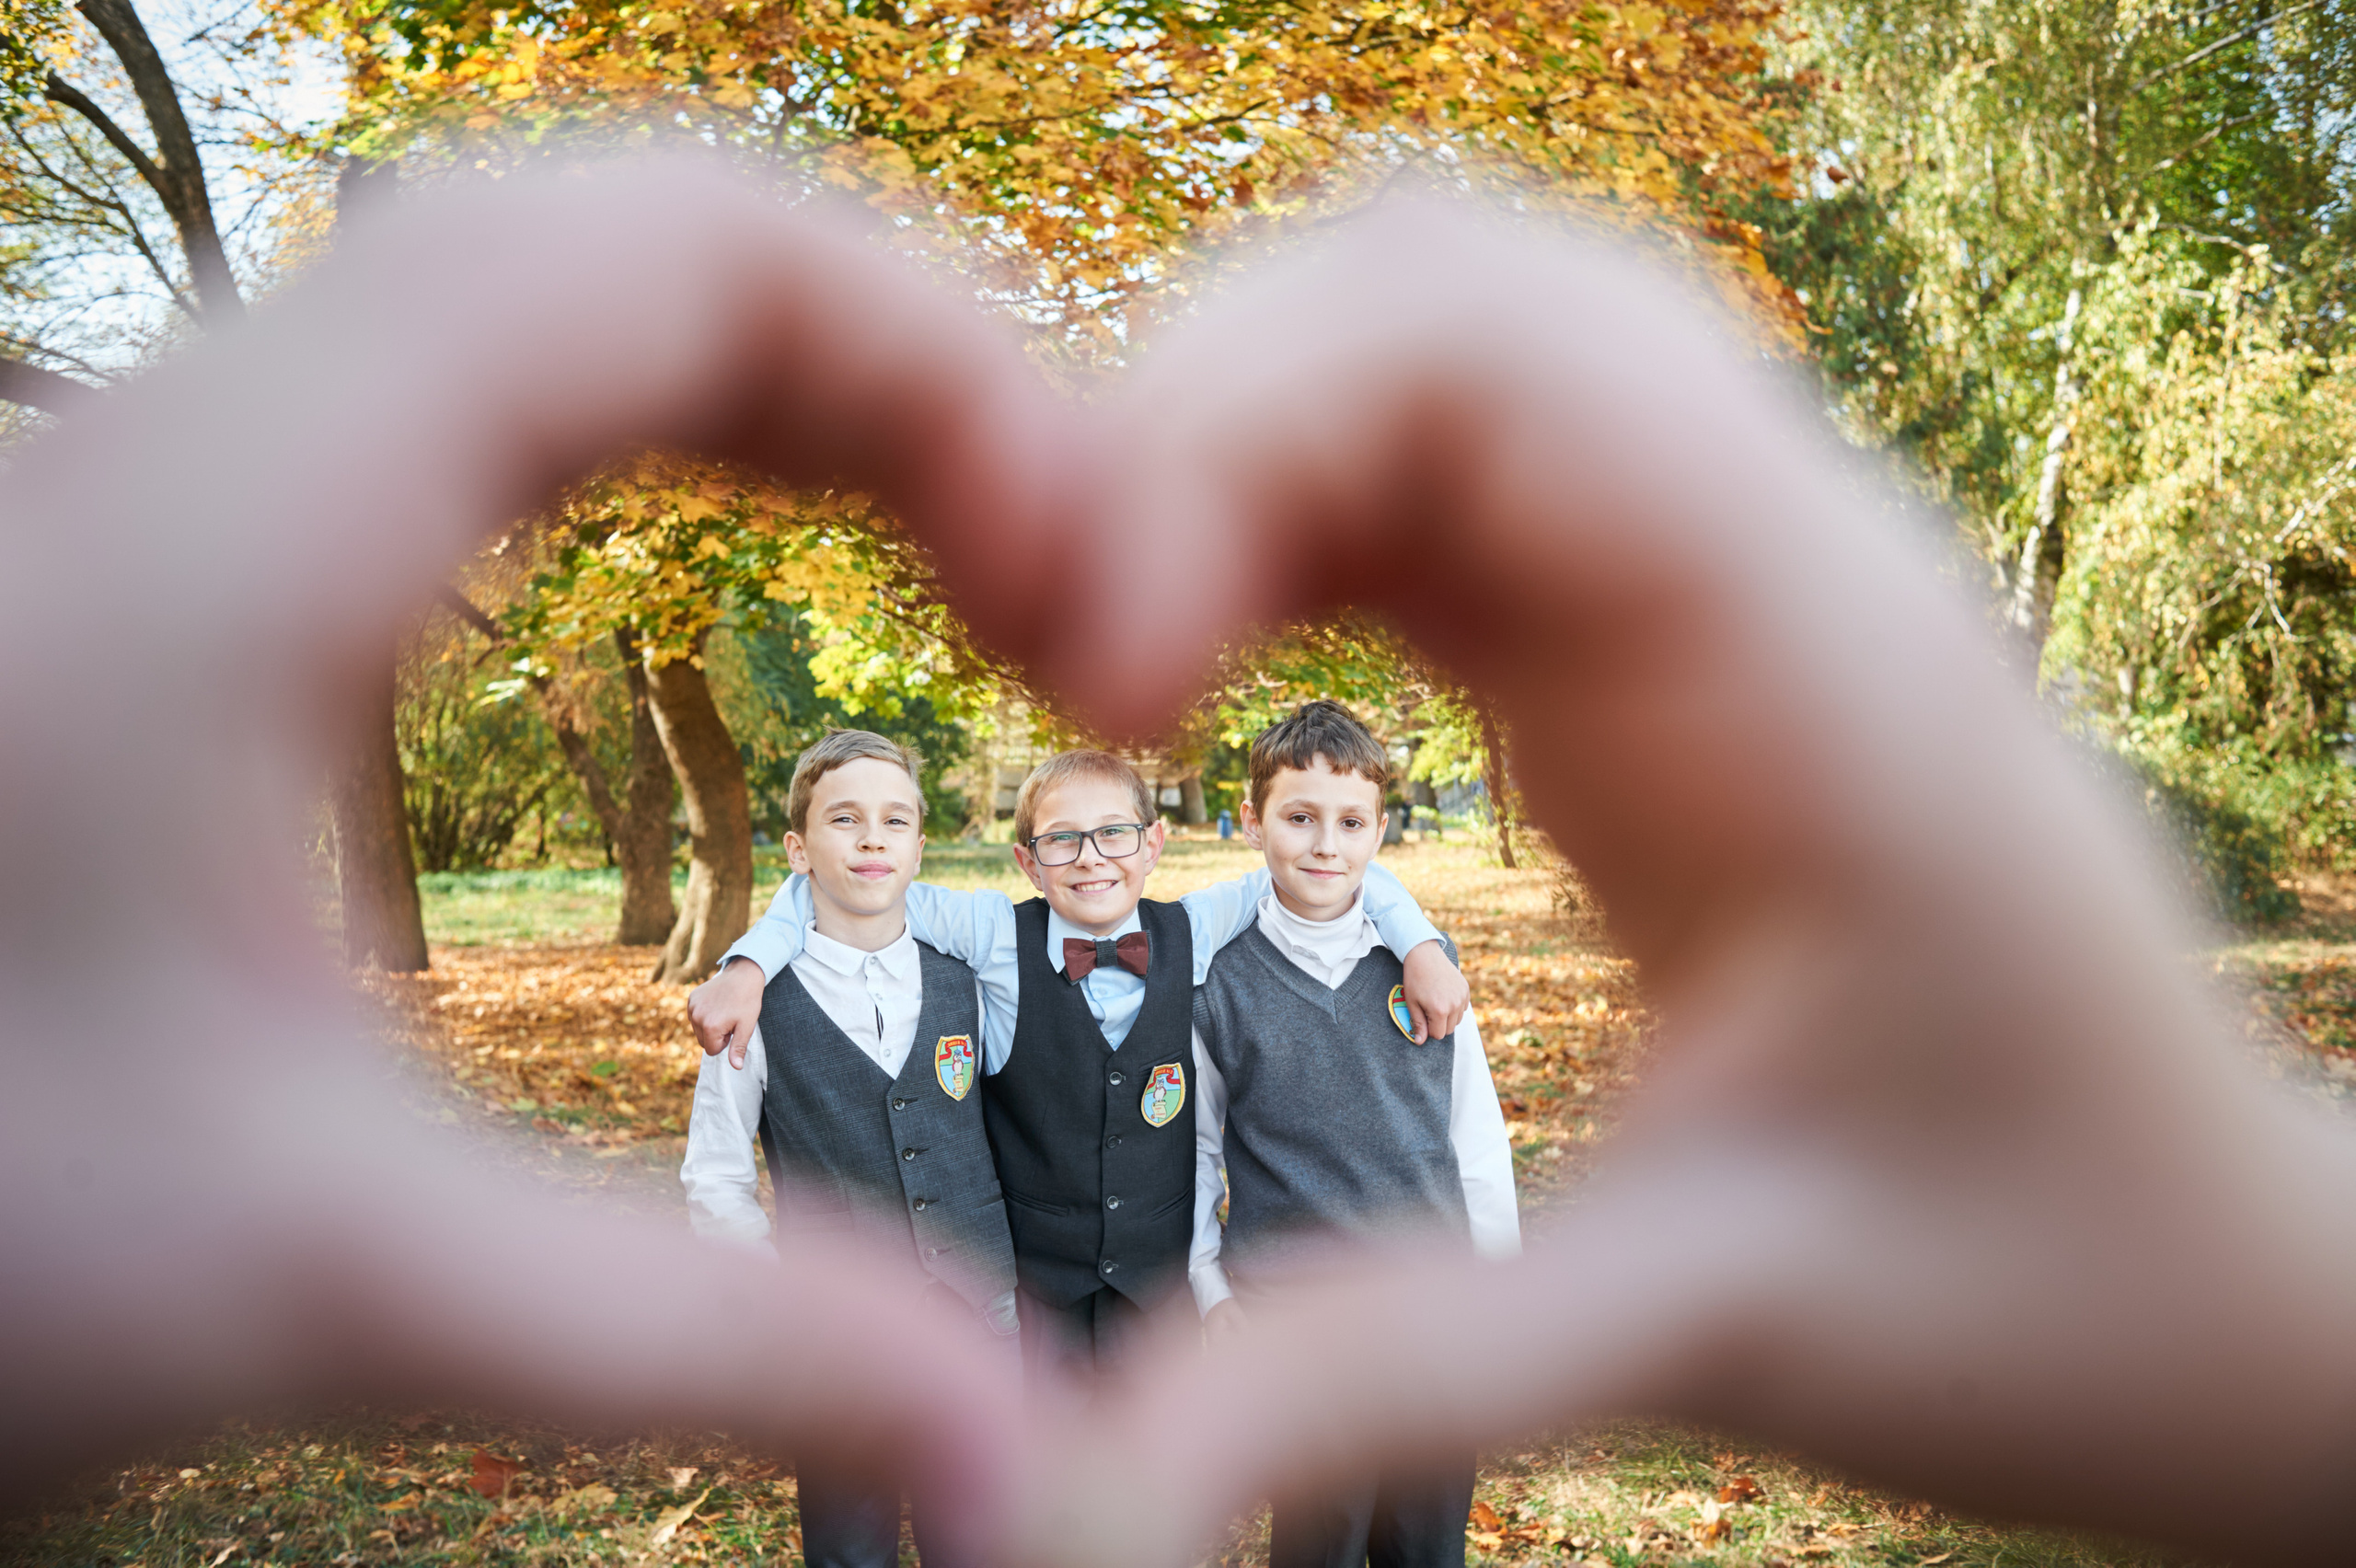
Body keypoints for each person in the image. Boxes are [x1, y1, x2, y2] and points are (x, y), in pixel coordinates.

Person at [7, 158, 2356, 1567]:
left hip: (1256, 1278)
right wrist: (730, 957)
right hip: (1012, 1283)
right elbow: (885, 911)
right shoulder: (979, 922)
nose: (1112, 871)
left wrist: (1426, 946)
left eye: (1161, 838)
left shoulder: (1259, 905)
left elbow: (1325, 908)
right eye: (1056, 846)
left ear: (1208, 837)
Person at [689, 748, 1470, 1389]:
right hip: (1036, 1286)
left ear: (1154, 845)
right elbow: (843, 883)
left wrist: (1421, 944)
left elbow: (1323, 865)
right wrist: (748, 964)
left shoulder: (1195, 927)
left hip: (1157, 1284)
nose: (1091, 858)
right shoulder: (992, 932)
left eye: (1115, 835)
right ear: (1029, 861)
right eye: (1063, 840)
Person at [1189, 701, 1518, 1568]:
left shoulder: (1429, 976)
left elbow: (1476, 1139)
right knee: (1319, 1536)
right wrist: (1209, 1288)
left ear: (1379, 832)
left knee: (1425, 1540)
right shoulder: (1217, 982)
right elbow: (1196, 1149)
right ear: (1254, 821)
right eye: (1299, 819)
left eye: (1350, 823)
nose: (1325, 845)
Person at [679, 730, 1015, 1568]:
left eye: (895, 820)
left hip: (975, 1317)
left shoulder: (971, 977)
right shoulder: (750, 1010)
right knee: (848, 1543)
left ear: (919, 845)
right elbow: (717, 1177)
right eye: (845, 819)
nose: (872, 838)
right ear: (798, 848)